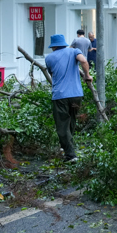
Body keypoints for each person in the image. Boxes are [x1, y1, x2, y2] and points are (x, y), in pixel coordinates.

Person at [44, 34, 92, 162]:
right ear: (64, 43)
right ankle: (66, 147)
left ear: (53, 46)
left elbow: (52, 73)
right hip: (76, 95)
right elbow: (83, 60)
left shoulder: (49, 58)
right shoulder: (74, 51)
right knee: (71, 121)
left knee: (62, 125)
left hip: (60, 96)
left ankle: (71, 155)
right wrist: (87, 75)